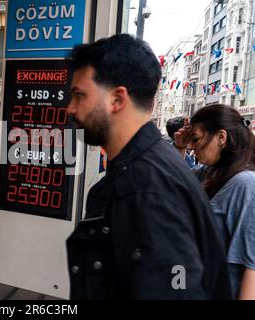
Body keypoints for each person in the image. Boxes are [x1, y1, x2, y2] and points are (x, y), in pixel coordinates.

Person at [65, 34, 232, 299]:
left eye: (79, 95)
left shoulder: (147, 189)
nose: (70, 108)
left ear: (117, 99)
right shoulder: (147, 170)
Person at [174, 104, 255, 299]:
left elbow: (251, 267)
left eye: (196, 139)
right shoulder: (211, 171)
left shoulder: (245, 184)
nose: (192, 147)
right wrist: (179, 146)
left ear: (221, 137)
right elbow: (174, 185)